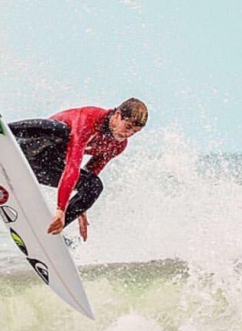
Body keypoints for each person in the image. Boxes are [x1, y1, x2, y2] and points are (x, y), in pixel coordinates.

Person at [9, 98, 147, 241]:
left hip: (44, 169)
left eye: (134, 132)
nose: (128, 134)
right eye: (128, 127)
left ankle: (50, 231)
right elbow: (72, 166)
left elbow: (91, 172)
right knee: (61, 130)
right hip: (31, 149)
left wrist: (80, 206)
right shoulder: (90, 119)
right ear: (117, 115)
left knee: (93, 185)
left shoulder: (117, 145)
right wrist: (60, 209)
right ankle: (2, 129)